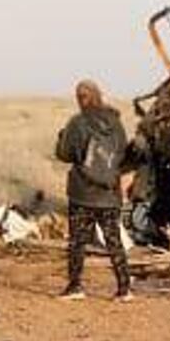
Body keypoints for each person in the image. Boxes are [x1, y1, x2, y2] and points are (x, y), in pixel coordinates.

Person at [54, 81, 142, 299]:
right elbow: (123, 157)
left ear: (82, 98)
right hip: (110, 194)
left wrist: (61, 137)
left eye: (80, 96)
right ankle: (124, 289)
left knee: (77, 243)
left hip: (83, 193)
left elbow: (65, 154)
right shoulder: (116, 124)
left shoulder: (77, 123)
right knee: (114, 242)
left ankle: (75, 287)